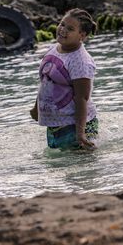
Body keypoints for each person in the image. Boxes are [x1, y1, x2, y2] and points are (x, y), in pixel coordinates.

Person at [30, 8, 98, 150]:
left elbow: (82, 99)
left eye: (70, 28)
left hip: (74, 126)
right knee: (59, 166)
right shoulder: (55, 48)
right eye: (62, 24)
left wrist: (80, 134)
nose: (62, 30)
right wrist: (37, 109)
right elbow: (45, 82)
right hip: (55, 124)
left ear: (82, 35)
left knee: (80, 168)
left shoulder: (81, 61)